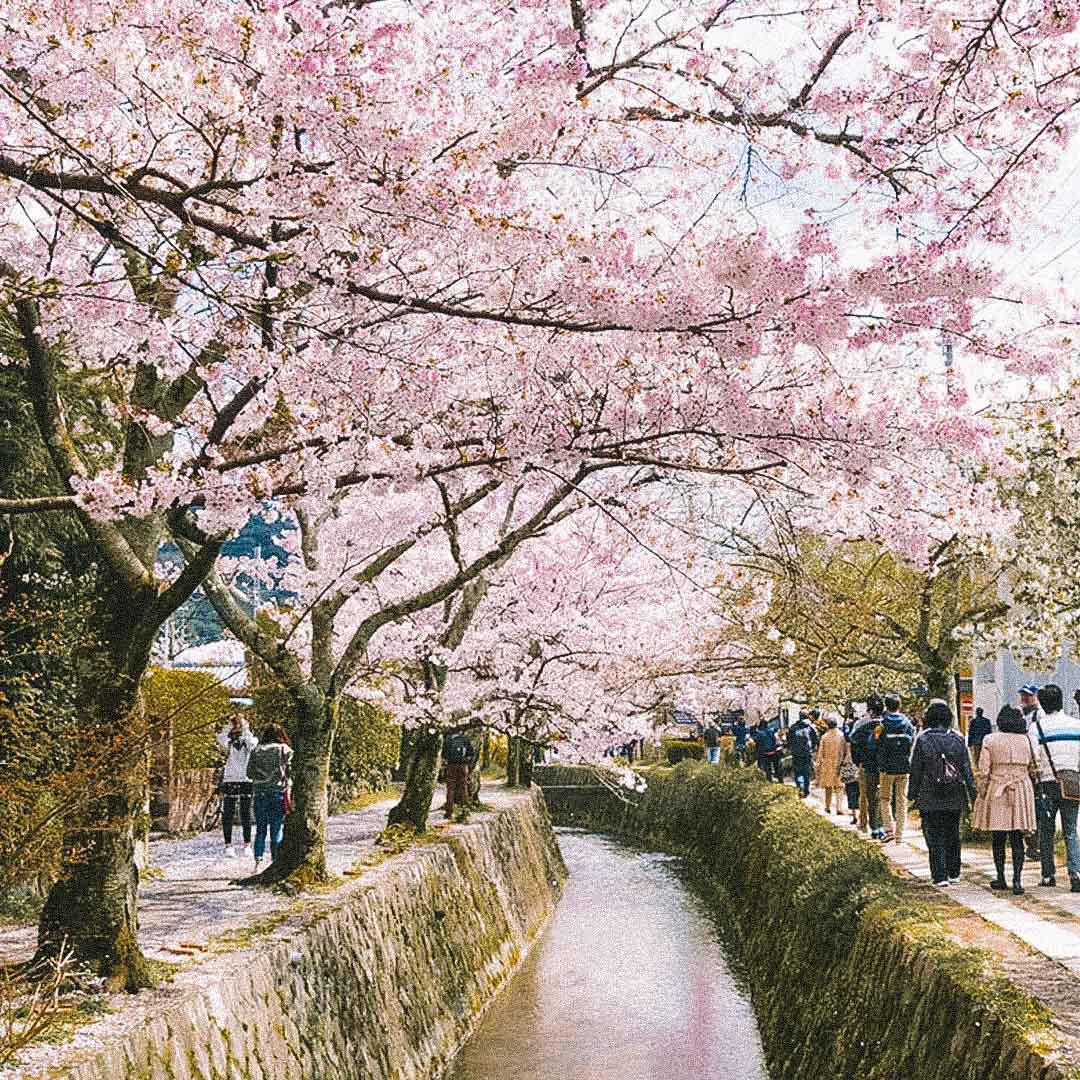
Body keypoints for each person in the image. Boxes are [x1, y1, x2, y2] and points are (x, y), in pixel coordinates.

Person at [908, 699, 977, 887]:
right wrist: (973, 794)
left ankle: (939, 875)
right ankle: (954, 872)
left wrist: (912, 794)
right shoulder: (958, 738)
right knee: (953, 833)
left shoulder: (922, 739)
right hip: (955, 793)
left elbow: (916, 769)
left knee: (934, 834)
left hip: (929, 793)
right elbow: (966, 769)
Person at [973, 705, 1037, 894]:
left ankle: (1001, 877)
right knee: (1017, 836)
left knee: (998, 836)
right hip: (1021, 787)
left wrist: (982, 792)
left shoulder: (990, 739)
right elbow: (1034, 767)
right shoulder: (1027, 741)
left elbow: (984, 770)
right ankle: (1017, 880)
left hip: (997, 787)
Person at [1029, 683, 1080, 890]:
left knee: (1046, 830)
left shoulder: (1036, 728)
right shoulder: (1076, 725)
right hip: (1072, 781)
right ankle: (1075, 873)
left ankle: (1048, 875)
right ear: (1061, 701)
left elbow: (1034, 757)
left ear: (1041, 703)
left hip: (1047, 784)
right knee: (1071, 830)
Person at [246, 723, 293, 872]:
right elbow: (291, 770)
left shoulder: (256, 750)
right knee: (276, 829)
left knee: (260, 829)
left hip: (260, 793)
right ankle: (275, 861)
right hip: (277, 792)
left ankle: (257, 863)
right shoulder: (284, 750)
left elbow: (249, 773)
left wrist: (261, 777)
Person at [875, 692, 915, 843]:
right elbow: (911, 743)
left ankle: (889, 830)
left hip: (886, 768)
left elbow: (876, 742)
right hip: (904, 767)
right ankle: (900, 834)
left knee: (885, 799)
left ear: (886, 706)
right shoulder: (908, 724)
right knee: (901, 799)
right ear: (900, 705)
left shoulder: (881, 724)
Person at [217, 713, 258, 859]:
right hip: (230, 778)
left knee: (245, 812)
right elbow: (220, 738)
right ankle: (228, 845)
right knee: (228, 812)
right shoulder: (228, 741)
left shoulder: (249, 740)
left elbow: (253, 744)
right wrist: (230, 725)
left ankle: (247, 844)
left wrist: (245, 728)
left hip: (246, 778)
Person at [850, 695, 885, 840]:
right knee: (884, 797)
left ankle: (871, 826)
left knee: (868, 797)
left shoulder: (860, 725)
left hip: (867, 765)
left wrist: (858, 762)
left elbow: (853, 742)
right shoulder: (886, 724)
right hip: (885, 766)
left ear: (869, 710)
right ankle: (883, 826)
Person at [1019, 683, 1044, 863]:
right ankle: (1032, 844)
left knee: (1037, 807)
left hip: (1036, 766)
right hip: (1025, 765)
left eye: (1028, 695)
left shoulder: (1039, 715)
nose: (1024, 698)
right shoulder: (1022, 714)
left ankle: (1036, 844)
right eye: (1023, 695)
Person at [442, 729, 475, 819]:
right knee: (463, 787)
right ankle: (464, 810)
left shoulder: (448, 739)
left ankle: (449, 812)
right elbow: (471, 753)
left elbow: (443, 755)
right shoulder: (465, 739)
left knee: (450, 788)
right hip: (463, 766)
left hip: (451, 766)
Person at [816, 717, 846, 814]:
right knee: (839, 787)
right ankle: (839, 807)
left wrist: (818, 764)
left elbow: (820, 753)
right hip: (839, 763)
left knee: (828, 787)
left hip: (827, 763)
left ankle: (827, 806)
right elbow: (845, 750)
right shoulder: (842, 736)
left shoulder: (824, 737)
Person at [788, 712, 818, 797]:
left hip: (796, 753)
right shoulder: (810, 727)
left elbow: (789, 740)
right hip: (807, 753)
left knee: (797, 771)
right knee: (806, 772)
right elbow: (815, 739)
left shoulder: (793, 727)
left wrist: (791, 748)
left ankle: (800, 786)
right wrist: (812, 748)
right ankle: (806, 790)